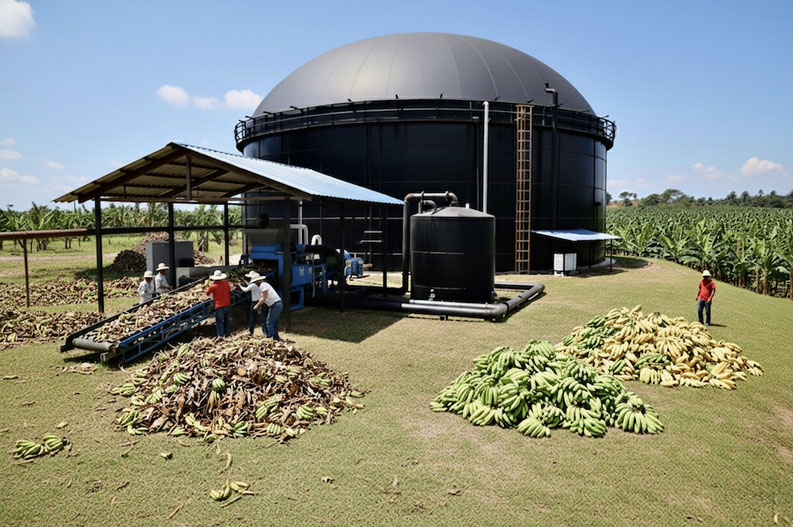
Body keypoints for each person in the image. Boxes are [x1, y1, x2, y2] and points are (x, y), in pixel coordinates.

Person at [253, 276, 283, 341]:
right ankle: (276, 338)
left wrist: (257, 306)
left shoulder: (263, 285)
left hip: (275, 304)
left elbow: (264, 298)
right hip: (274, 305)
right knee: (273, 322)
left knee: (269, 322)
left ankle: (270, 339)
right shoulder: (263, 285)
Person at [206, 269, 231, 337]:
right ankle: (227, 334)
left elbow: (207, 293)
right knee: (226, 320)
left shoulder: (213, 285)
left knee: (219, 321)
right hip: (227, 304)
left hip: (219, 306)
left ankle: (220, 335)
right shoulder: (226, 283)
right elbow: (229, 291)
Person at [238, 271, 263, 336]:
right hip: (261, 301)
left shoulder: (253, 285)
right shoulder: (260, 284)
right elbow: (250, 285)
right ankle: (265, 331)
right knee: (262, 317)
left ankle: (251, 331)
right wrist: (244, 281)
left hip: (254, 303)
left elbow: (245, 289)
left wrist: (239, 285)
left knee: (252, 317)